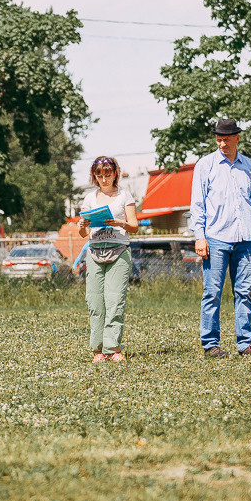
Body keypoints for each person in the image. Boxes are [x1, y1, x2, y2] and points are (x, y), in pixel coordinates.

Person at [191, 118, 251, 358]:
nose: (222, 143)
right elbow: (198, 204)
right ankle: (211, 344)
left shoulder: (249, 166)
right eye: (218, 139)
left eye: (226, 139)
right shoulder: (205, 165)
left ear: (237, 138)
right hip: (216, 238)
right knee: (212, 293)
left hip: (244, 238)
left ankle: (245, 343)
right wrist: (199, 237)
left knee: (244, 292)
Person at [77, 155, 139, 362]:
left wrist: (119, 223)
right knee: (95, 302)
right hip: (94, 251)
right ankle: (98, 350)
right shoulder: (89, 198)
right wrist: (82, 227)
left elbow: (134, 226)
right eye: (99, 175)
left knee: (115, 300)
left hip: (119, 250)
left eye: (108, 174)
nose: (104, 179)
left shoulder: (124, 195)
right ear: (94, 176)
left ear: (115, 174)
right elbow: (84, 235)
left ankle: (113, 348)